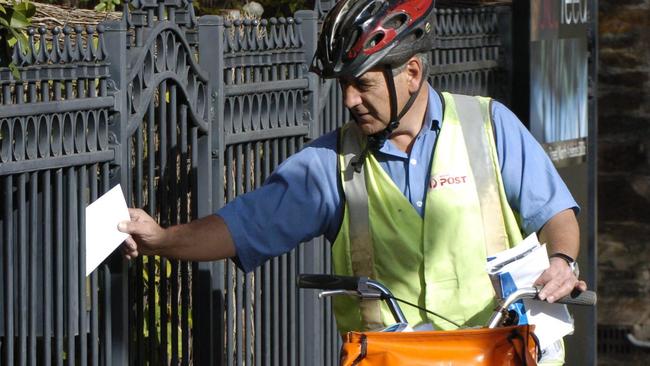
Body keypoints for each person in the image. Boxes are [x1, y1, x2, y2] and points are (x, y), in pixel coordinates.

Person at [119, 0, 587, 363]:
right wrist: (161, 238)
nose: (348, 99)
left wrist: (563, 260)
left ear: (411, 73)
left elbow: (555, 213)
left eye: (361, 83)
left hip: (500, 355)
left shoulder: (490, 126)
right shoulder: (330, 165)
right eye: (342, 84)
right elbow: (243, 226)